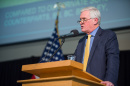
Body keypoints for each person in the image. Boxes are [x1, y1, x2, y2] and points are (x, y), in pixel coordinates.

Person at [74, 6, 119, 86]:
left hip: (99, 83)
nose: (81, 22)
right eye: (80, 20)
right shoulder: (81, 41)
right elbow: (75, 63)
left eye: (84, 19)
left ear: (95, 20)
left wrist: (110, 80)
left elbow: (112, 60)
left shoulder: (108, 36)